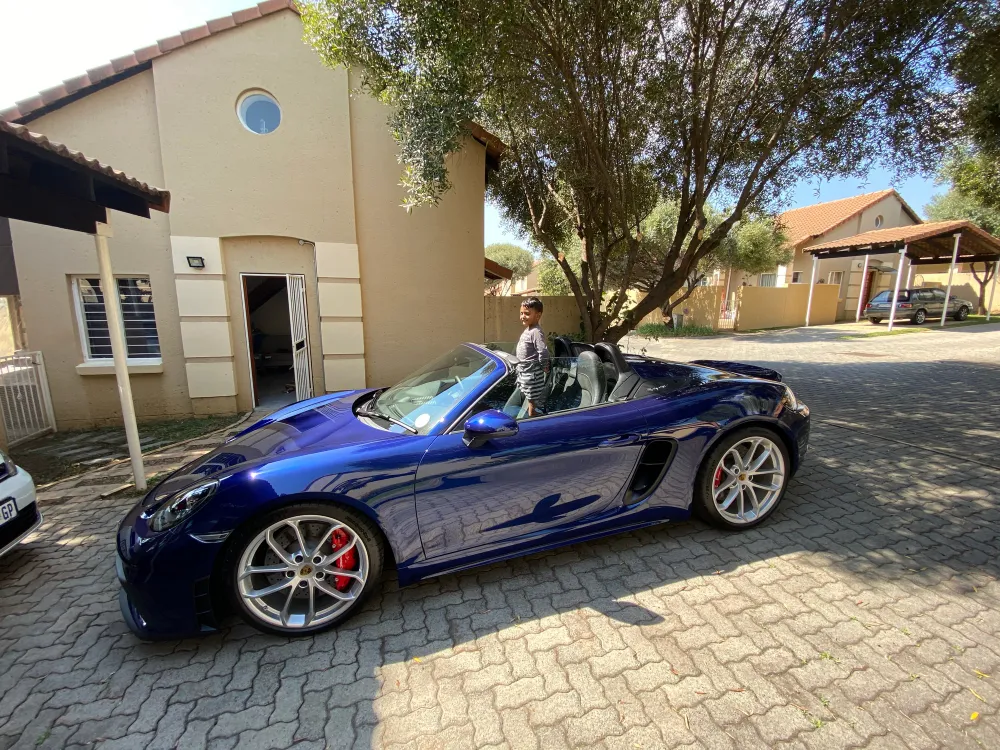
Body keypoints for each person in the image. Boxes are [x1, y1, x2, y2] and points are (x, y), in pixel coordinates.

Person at [516, 297, 550, 417]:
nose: (523, 316)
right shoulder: (529, 329)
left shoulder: (536, 332)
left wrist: (544, 365)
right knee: (528, 394)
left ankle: (532, 415)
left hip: (532, 372)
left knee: (532, 396)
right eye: (521, 313)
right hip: (524, 370)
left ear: (538, 315)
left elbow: (543, 351)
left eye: (527, 313)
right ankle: (530, 412)